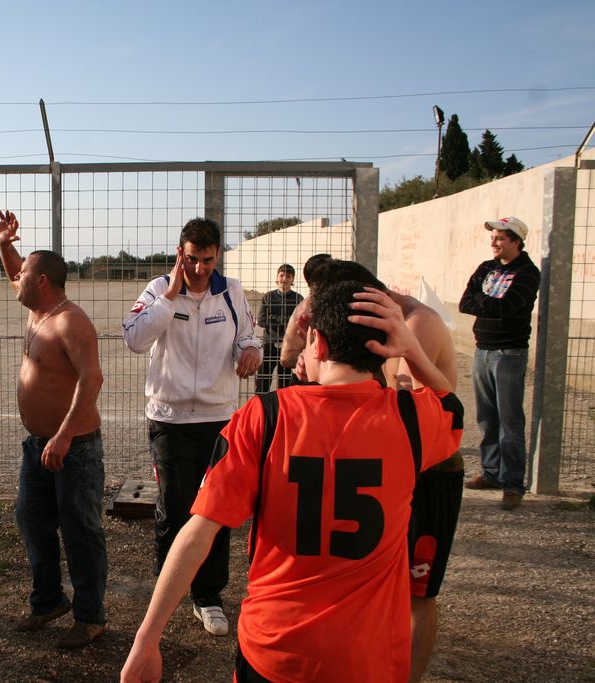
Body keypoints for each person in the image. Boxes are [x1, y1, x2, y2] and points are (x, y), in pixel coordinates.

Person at [120, 281, 464, 683]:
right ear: (387, 345)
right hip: (366, 657)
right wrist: (412, 350)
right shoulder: (411, 419)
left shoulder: (263, 416)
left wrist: (147, 638)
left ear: (319, 342)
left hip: (275, 648)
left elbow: (198, 533)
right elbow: (450, 403)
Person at [298, 258, 463, 682]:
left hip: (430, 468)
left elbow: (418, 404)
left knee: (417, 590)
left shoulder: (415, 323)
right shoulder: (371, 322)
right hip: (393, 456)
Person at [123, 217, 261, 637]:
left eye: (208, 260)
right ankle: (169, 589)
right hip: (170, 419)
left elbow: (248, 336)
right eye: (192, 259)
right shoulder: (158, 288)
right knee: (176, 506)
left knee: (215, 510)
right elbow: (134, 339)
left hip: (219, 419)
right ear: (179, 254)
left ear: (217, 256)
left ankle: (207, 595)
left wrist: (250, 351)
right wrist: (169, 298)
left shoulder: (231, 291)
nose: (200, 269)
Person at [0, 210, 108, 650]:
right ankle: (48, 601)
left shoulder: (69, 321)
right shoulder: (37, 308)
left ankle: (89, 617)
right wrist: (5, 245)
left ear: (41, 281)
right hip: (37, 446)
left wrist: (63, 436)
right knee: (32, 520)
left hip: (73, 447)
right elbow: (15, 273)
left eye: (24, 272)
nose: (15, 278)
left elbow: (92, 380)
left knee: (80, 531)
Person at [458, 216, 541, 512]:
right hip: (482, 351)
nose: (493, 242)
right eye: (492, 237)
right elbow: (465, 303)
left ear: (516, 241)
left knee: (510, 421)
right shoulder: (487, 268)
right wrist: (486, 303)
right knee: (486, 418)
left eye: (500, 238)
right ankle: (491, 473)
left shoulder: (527, 273)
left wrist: (482, 301)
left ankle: (513, 485)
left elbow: (508, 307)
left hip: (509, 354)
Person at [254, 263, 304, 393]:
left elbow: (300, 321)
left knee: (285, 381)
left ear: (292, 279)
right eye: (281, 275)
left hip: (289, 344)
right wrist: (288, 321)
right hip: (269, 343)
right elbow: (262, 321)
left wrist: (273, 318)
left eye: (288, 276)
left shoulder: (298, 299)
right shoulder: (268, 297)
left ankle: (282, 404)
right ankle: (261, 402)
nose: (284, 279)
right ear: (277, 277)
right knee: (263, 379)